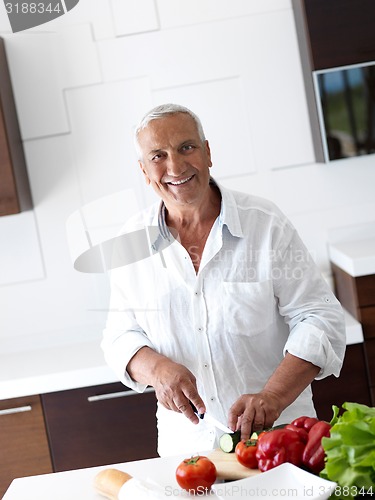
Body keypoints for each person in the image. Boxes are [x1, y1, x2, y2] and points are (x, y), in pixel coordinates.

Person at [101, 103, 346, 457]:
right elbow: (118, 336)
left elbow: (320, 317)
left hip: (281, 438)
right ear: (144, 171)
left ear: (208, 152)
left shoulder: (266, 224)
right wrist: (158, 370)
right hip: (188, 449)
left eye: (187, 147)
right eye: (158, 156)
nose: (175, 167)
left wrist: (273, 396)